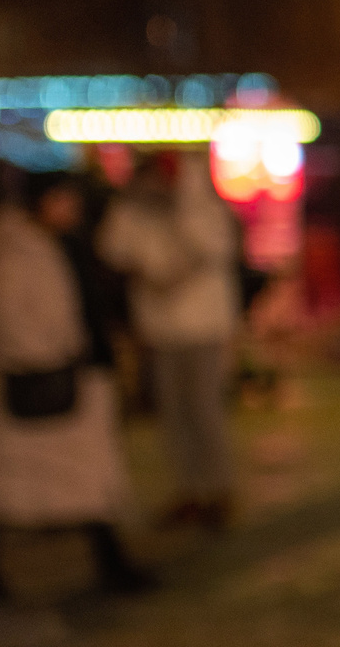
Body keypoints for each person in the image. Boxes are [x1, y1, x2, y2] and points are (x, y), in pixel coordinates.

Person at [0, 175, 153, 600]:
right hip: (39, 381)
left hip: (64, 380)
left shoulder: (51, 243)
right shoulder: (15, 250)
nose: (72, 209)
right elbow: (10, 320)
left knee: (80, 481)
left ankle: (109, 560)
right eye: (63, 200)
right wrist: (54, 354)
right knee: (11, 482)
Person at [98, 150, 240, 528]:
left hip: (202, 327)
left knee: (204, 409)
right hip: (160, 328)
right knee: (174, 414)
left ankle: (217, 490)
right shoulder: (135, 209)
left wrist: (183, 209)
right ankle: (189, 489)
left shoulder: (202, 208)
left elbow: (212, 245)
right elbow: (113, 249)